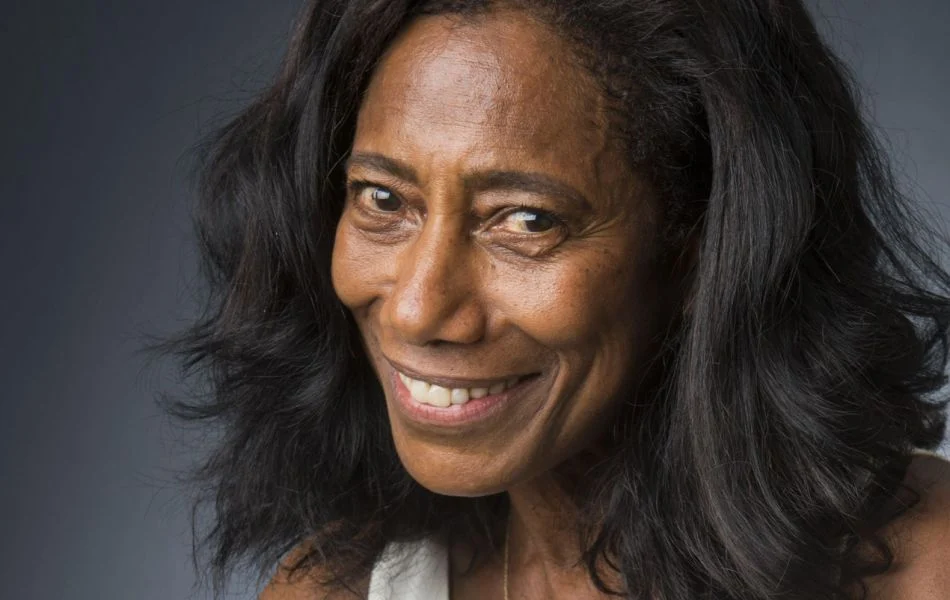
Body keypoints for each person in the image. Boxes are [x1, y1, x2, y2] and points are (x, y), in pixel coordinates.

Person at [164, 0, 950, 598]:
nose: (416, 309)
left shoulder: (923, 566)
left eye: (527, 220)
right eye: (383, 199)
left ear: (702, 248)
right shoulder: (331, 590)